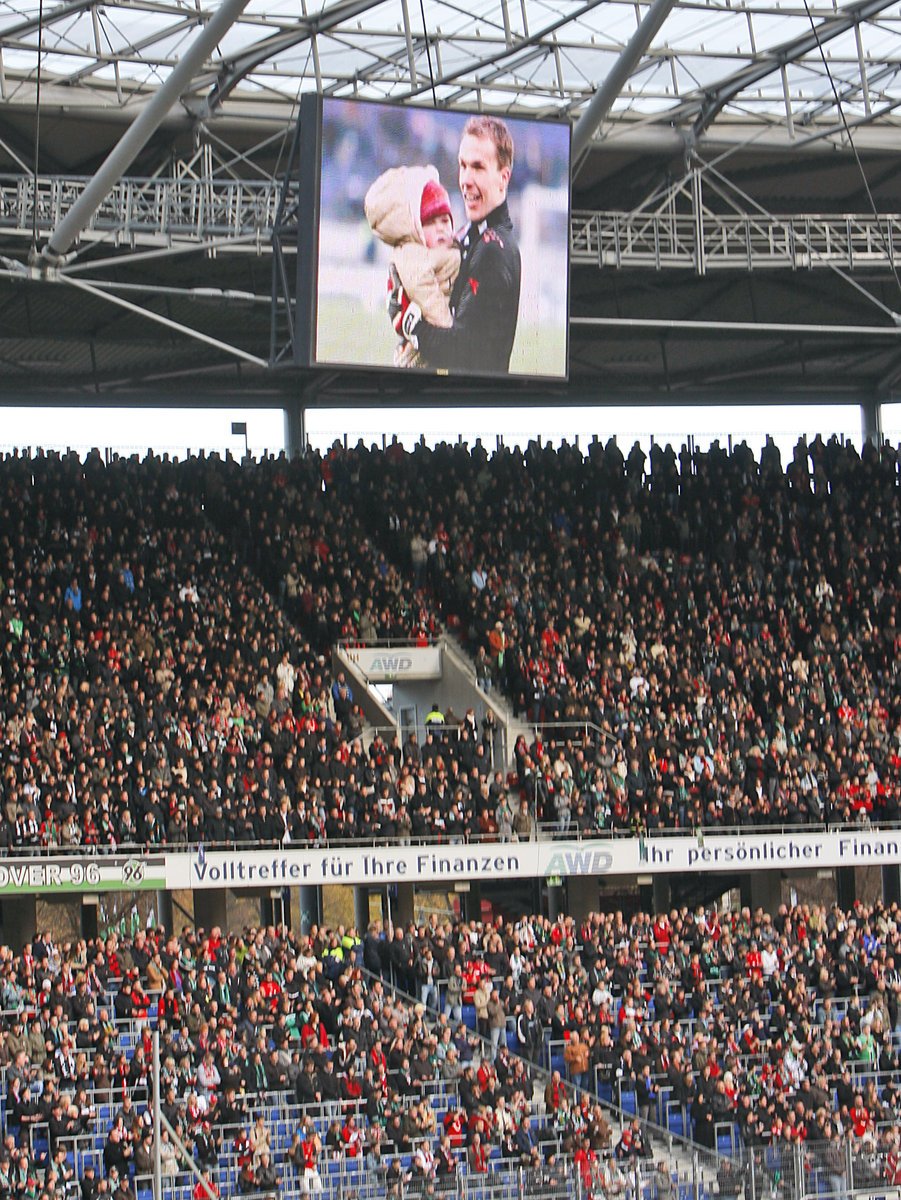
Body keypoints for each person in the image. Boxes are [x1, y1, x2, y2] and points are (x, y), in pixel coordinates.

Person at [390, 115, 521, 374]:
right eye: (463, 166)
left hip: (474, 406)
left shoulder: (493, 250)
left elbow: (462, 353)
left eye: (478, 167)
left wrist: (410, 324)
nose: (466, 180)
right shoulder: (469, 235)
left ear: (503, 178)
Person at [365, 166, 461, 368]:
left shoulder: (443, 249)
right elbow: (424, 290)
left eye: (445, 220)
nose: (441, 228)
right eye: (431, 222)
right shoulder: (411, 253)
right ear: (416, 228)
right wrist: (449, 329)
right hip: (424, 351)